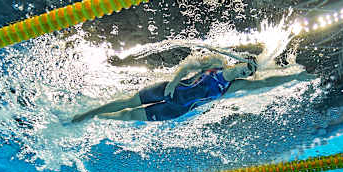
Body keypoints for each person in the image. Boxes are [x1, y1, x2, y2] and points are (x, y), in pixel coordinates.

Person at [72, 45, 314, 122]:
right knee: (126, 102)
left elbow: (269, 82)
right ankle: (88, 113)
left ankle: (100, 118)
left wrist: (295, 77)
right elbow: (188, 66)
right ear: (240, 60)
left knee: (127, 117)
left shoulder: (234, 87)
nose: (246, 69)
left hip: (175, 110)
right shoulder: (217, 62)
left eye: (250, 71)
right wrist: (173, 82)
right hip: (170, 90)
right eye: (247, 64)